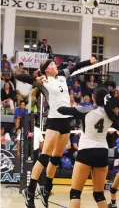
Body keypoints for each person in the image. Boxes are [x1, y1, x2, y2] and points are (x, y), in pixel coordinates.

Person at [16, 57, 97, 208]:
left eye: (54, 64)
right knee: (45, 156)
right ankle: (30, 191)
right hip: (53, 120)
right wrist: (35, 78)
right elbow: (18, 76)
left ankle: (46, 188)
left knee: (56, 158)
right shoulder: (43, 81)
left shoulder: (62, 75)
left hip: (66, 121)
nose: (55, 65)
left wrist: (89, 61)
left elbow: (76, 67)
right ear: (47, 69)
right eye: (52, 64)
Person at [58, 86, 119, 208]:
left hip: (86, 151)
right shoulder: (110, 115)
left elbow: (61, 110)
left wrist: (66, 102)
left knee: (75, 193)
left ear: (93, 97)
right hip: (103, 153)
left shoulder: (85, 110)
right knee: (99, 195)